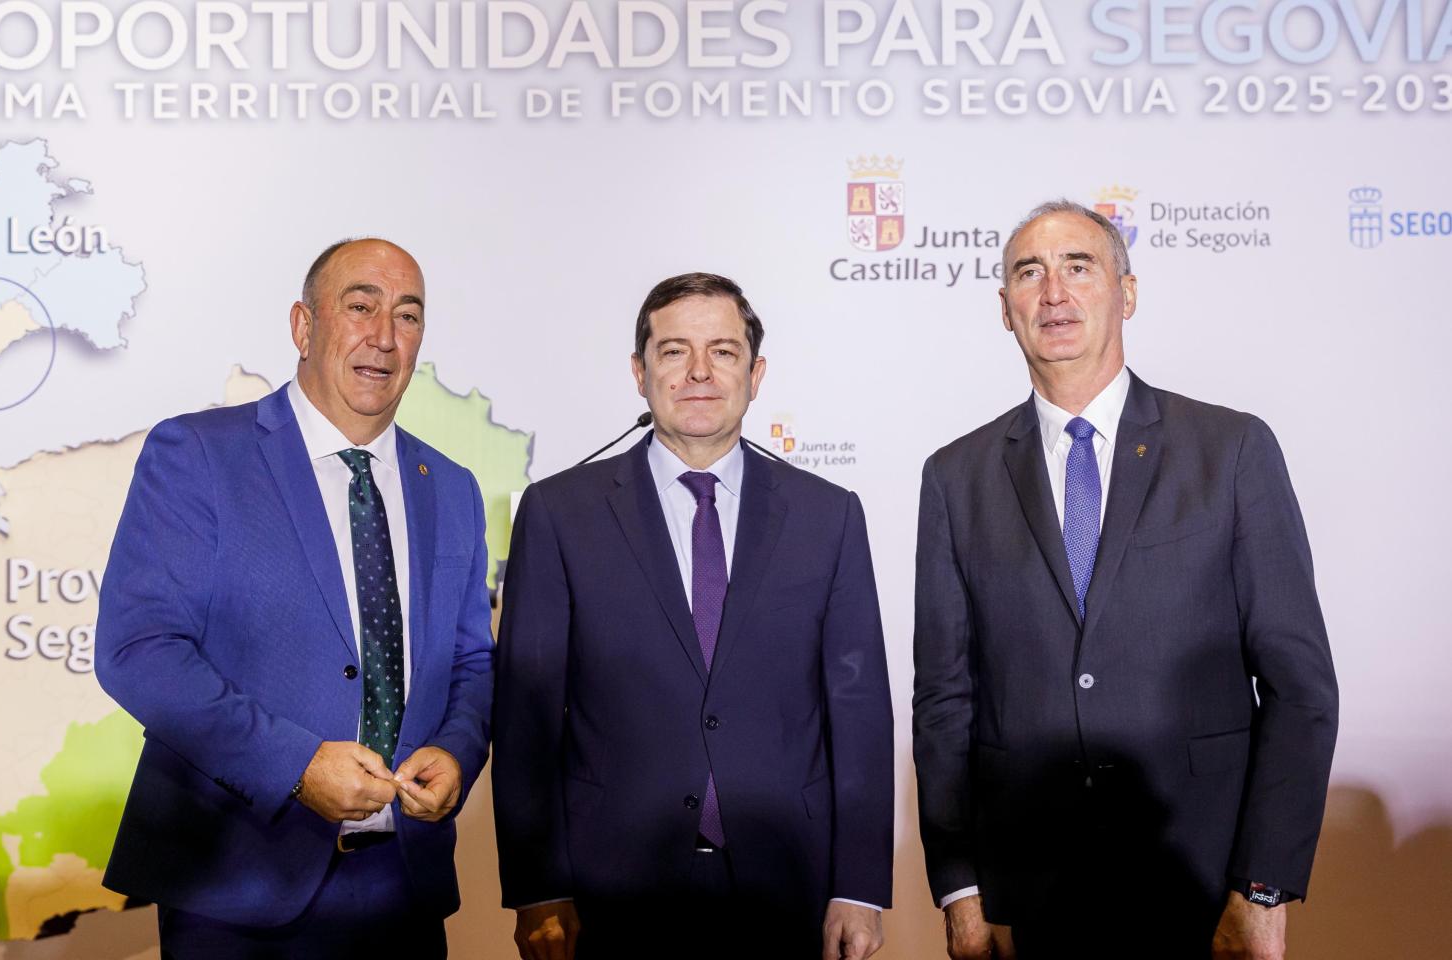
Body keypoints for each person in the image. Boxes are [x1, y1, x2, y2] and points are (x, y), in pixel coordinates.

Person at [912, 201, 1339, 959]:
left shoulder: (1231, 450)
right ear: (1004, 310)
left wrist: (1265, 887)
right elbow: (946, 702)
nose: (1053, 293)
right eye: (1028, 273)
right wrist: (960, 890)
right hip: (1026, 902)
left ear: (1127, 292)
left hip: (1203, 891)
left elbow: (1300, 686)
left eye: (1079, 267)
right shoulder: (954, 478)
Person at [95, 238, 494, 958]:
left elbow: (471, 659)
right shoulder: (198, 456)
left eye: (407, 316)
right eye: (360, 306)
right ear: (303, 327)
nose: (383, 337)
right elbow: (140, 652)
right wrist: (296, 765)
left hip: (405, 890)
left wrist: (457, 751)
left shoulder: (455, 488)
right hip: (237, 891)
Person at [493, 272, 893, 959]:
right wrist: (538, 889)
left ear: (756, 372)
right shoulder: (561, 514)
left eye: (725, 352)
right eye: (675, 351)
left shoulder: (829, 517)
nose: (700, 372)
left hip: (786, 889)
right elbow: (528, 718)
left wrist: (859, 885)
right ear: (639, 372)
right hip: (608, 892)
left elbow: (858, 714)